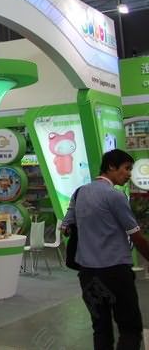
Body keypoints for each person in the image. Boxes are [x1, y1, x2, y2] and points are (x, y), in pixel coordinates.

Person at [62, 149, 149, 350]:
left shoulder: (79, 193)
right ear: (111, 167)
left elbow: (66, 227)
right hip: (116, 272)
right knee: (129, 328)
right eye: (126, 168)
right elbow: (135, 235)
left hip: (88, 274)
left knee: (101, 328)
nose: (129, 174)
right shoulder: (115, 196)